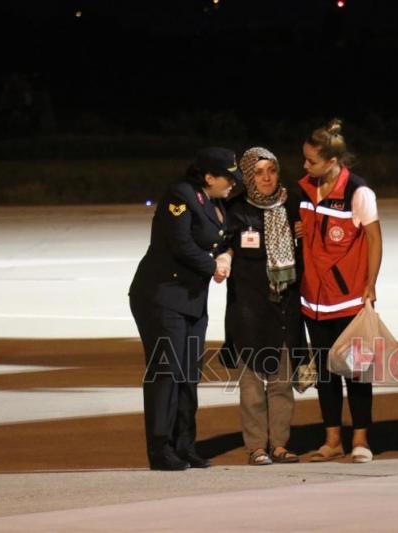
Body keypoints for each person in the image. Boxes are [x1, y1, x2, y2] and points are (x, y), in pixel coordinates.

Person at [128, 147, 239, 471]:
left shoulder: (217, 201)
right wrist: (212, 266)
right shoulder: (181, 196)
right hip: (162, 297)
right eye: (228, 177)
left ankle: (185, 445)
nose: (233, 183)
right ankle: (160, 448)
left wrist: (227, 256)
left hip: (191, 302)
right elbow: (180, 243)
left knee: (189, 374)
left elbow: (225, 237)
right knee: (166, 373)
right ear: (208, 177)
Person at [298, 119, 383, 464]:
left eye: (311, 161)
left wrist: (370, 285)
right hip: (313, 300)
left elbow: (375, 240)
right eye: (304, 159)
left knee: (357, 372)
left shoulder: (357, 192)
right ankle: (332, 439)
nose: (305, 166)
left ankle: (361, 440)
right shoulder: (304, 189)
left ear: (332, 162)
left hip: (348, 299)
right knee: (325, 373)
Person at [219, 146, 306, 465]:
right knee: (253, 385)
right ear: (247, 175)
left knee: (282, 382)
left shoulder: (293, 203)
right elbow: (223, 246)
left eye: (271, 170)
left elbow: (307, 248)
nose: (267, 177)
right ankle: (256, 446)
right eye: (258, 172)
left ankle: (280, 444)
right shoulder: (235, 209)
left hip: (285, 307)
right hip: (249, 310)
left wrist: (304, 233)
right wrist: (224, 259)